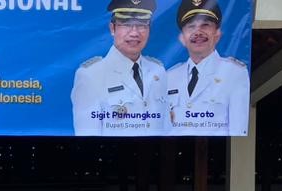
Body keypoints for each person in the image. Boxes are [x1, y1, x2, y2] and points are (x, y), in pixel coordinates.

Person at [71, 0, 167, 135]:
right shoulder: (90, 75)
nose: (134, 33)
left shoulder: (158, 71)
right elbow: (88, 140)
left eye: (141, 25)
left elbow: (167, 129)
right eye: (126, 24)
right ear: (112, 28)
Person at [165, 0, 249, 135]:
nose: (198, 32)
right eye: (191, 26)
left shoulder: (234, 73)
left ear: (217, 34)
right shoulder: (170, 76)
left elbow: (238, 128)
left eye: (205, 25)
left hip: (217, 150)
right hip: (175, 150)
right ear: (182, 38)